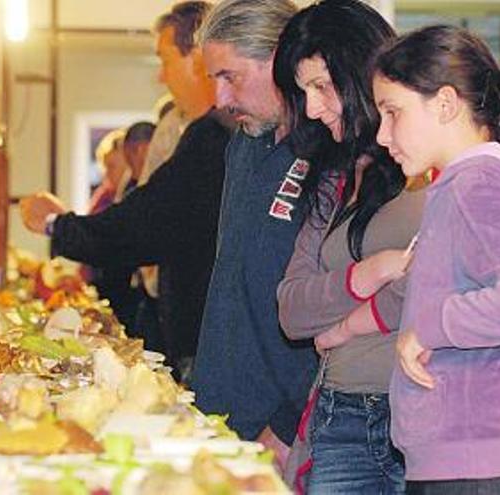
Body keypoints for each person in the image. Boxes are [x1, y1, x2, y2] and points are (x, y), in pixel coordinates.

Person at [368, 25, 500, 493]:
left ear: (444, 103)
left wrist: (433, 326)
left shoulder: (477, 183)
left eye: (392, 112)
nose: (382, 135)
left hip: (475, 467)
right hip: (475, 459)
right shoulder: (476, 182)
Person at [19, 1, 231, 378]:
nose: (161, 77)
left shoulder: (213, 136)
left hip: (206, 340)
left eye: (165, 60)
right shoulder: (206, 132)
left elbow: (144, 224)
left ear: (198, 59)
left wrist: (56, 224)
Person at [273, 1, 422, 492]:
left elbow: (442, 282)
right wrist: (371, 272)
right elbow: (293, 311)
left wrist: (347, 323)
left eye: (322, 86)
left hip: (429, 418)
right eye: (304, 92)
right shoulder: (333, 178)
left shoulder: (435, 165)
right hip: (344, 417)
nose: (313, 108)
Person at [191, 0, 317, 465]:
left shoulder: (329, 152)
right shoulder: (243, 146)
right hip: (221, 412)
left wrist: (288, 423)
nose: (220, 100)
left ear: (281, 61)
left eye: (231, 77)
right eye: (214, 80)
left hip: (289, 431)